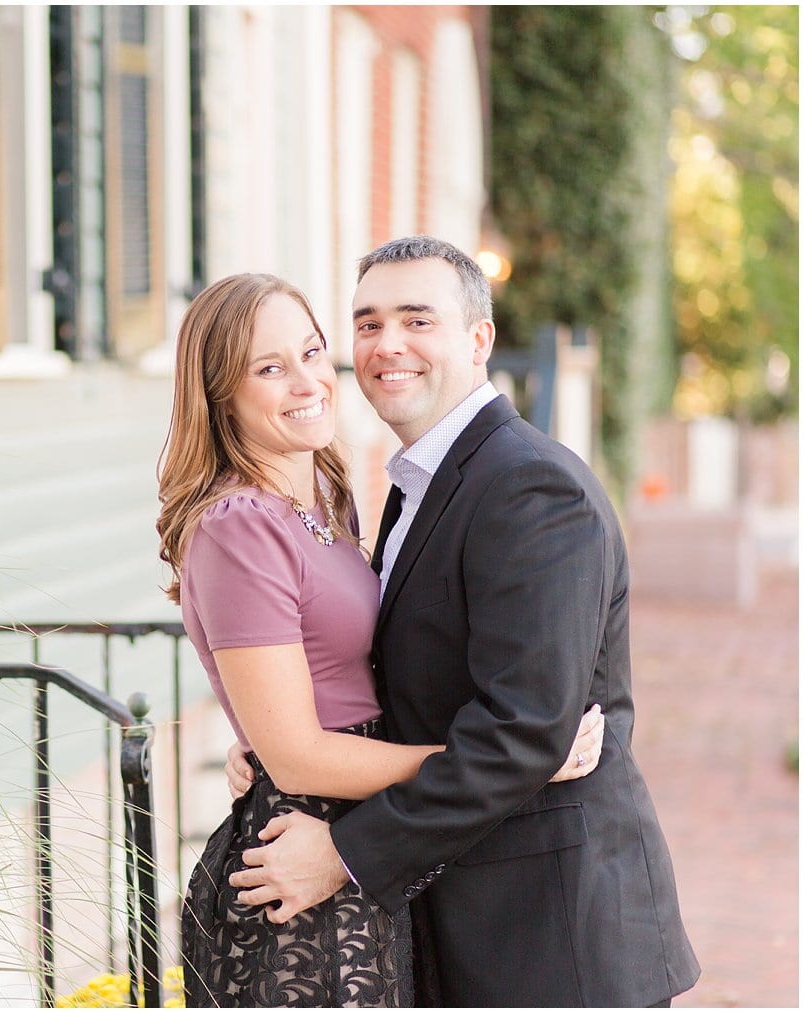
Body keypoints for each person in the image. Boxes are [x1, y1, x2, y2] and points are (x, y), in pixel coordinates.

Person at [225, 236, 701, 1007]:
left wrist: (343, 853)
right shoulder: (420, 483)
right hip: (467, 916)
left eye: (417, 320)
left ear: (478, 340)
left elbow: (521, 731)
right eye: (367, 323)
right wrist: (279, 740)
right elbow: (406, 671)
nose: (387, 345)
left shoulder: (528, 487)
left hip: (551, 936)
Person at [155, 271, 606, 1007]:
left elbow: (328, 676)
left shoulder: (323, 498)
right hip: (301, 860)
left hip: (362, 840)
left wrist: (259, 738)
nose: (307, 381)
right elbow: (299, 750)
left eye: (310, 352)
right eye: (269, 368)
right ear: (219, 394)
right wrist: (506, 760)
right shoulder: (239, 523)